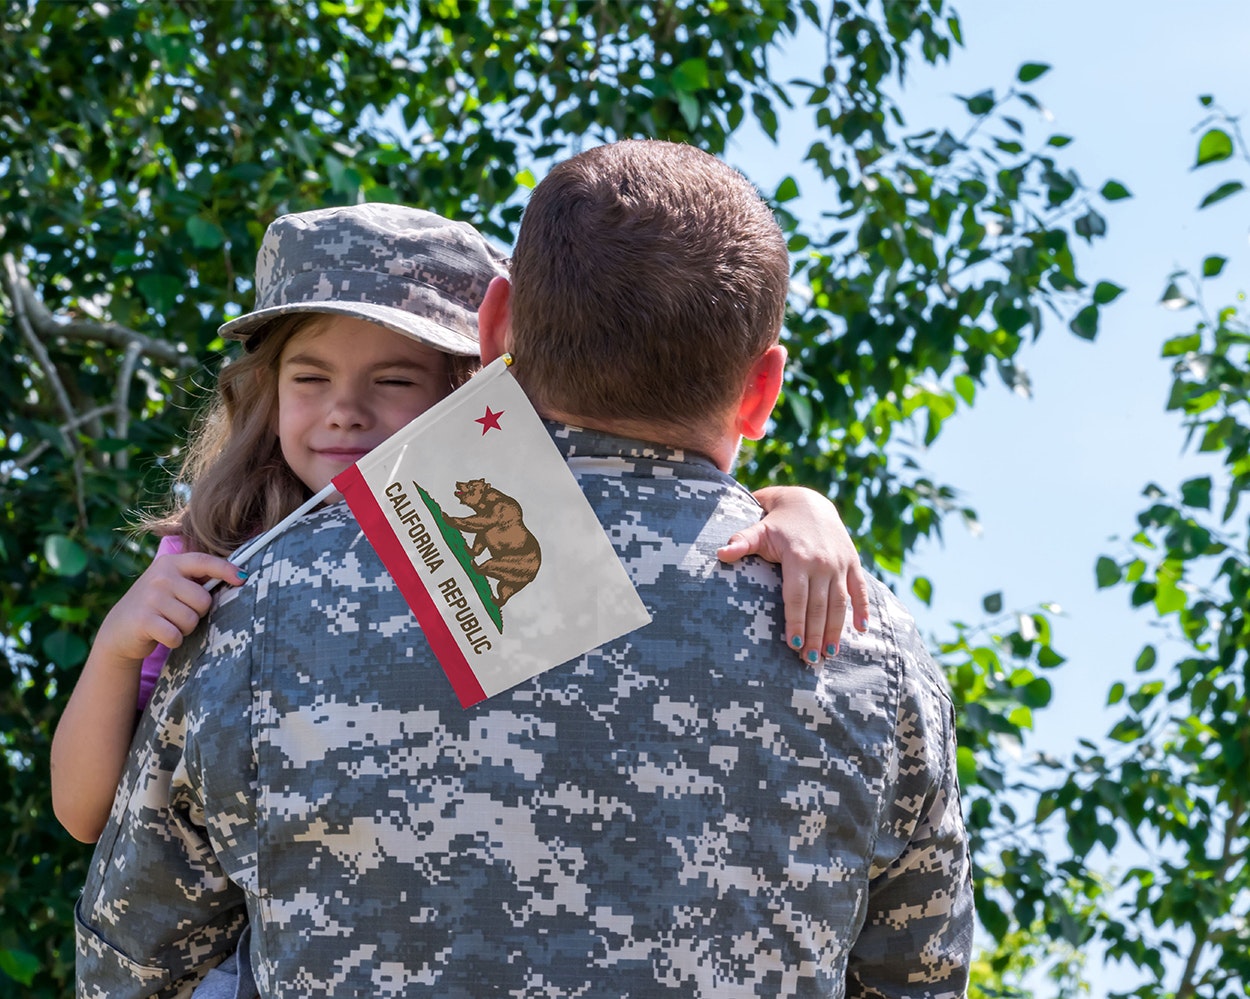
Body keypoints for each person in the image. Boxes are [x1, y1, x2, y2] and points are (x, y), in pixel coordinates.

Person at [75, 147, 969, 996]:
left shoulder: (255, 608)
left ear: (495, 326)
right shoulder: (863, 641)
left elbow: (132, 962)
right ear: (763, 388)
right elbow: (915, 977)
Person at [51, 204, 867, 850]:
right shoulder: (213, 548)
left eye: (394, 377)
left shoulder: (516, 500)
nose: (345, 409)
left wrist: (794, 505)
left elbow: (665, 513)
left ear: (468, 389)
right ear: (264, 390)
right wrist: (117, 648)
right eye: (310, 376)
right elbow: (88, 814)